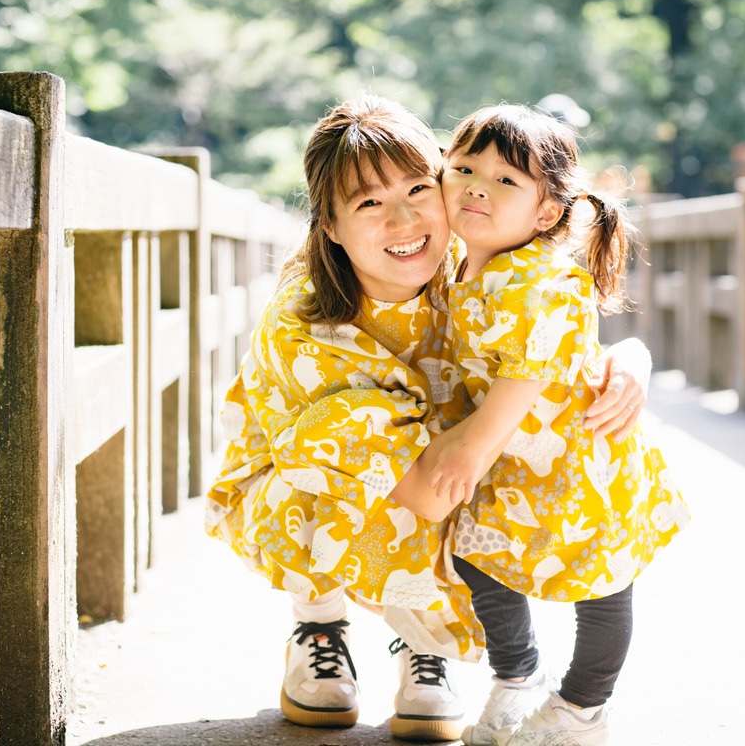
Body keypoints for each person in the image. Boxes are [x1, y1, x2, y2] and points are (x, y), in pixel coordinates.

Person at [204, 95, 653, 742]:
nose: (405, 219)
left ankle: (425, 645)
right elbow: (420, 487)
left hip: (442, 455)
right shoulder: (310, 326)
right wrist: (472, 448)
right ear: (328, 224)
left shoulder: (465, 258)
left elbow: (547, 327)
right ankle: (321, 621)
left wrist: (626, 360)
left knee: (462, 478)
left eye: (420, 187)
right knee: (431, 488)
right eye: (368, 204)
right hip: (315, 477)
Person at [427, 104, 690, 746]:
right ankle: (518, 677)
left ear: (547, 213)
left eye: (506, 181)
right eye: (463, 168)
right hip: (508, 460)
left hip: (577, 463)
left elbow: (532, 367)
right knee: (477, 558)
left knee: (599, 588)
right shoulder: (456, 266)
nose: (477, 187)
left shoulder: (545, 279)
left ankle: (582, 708)